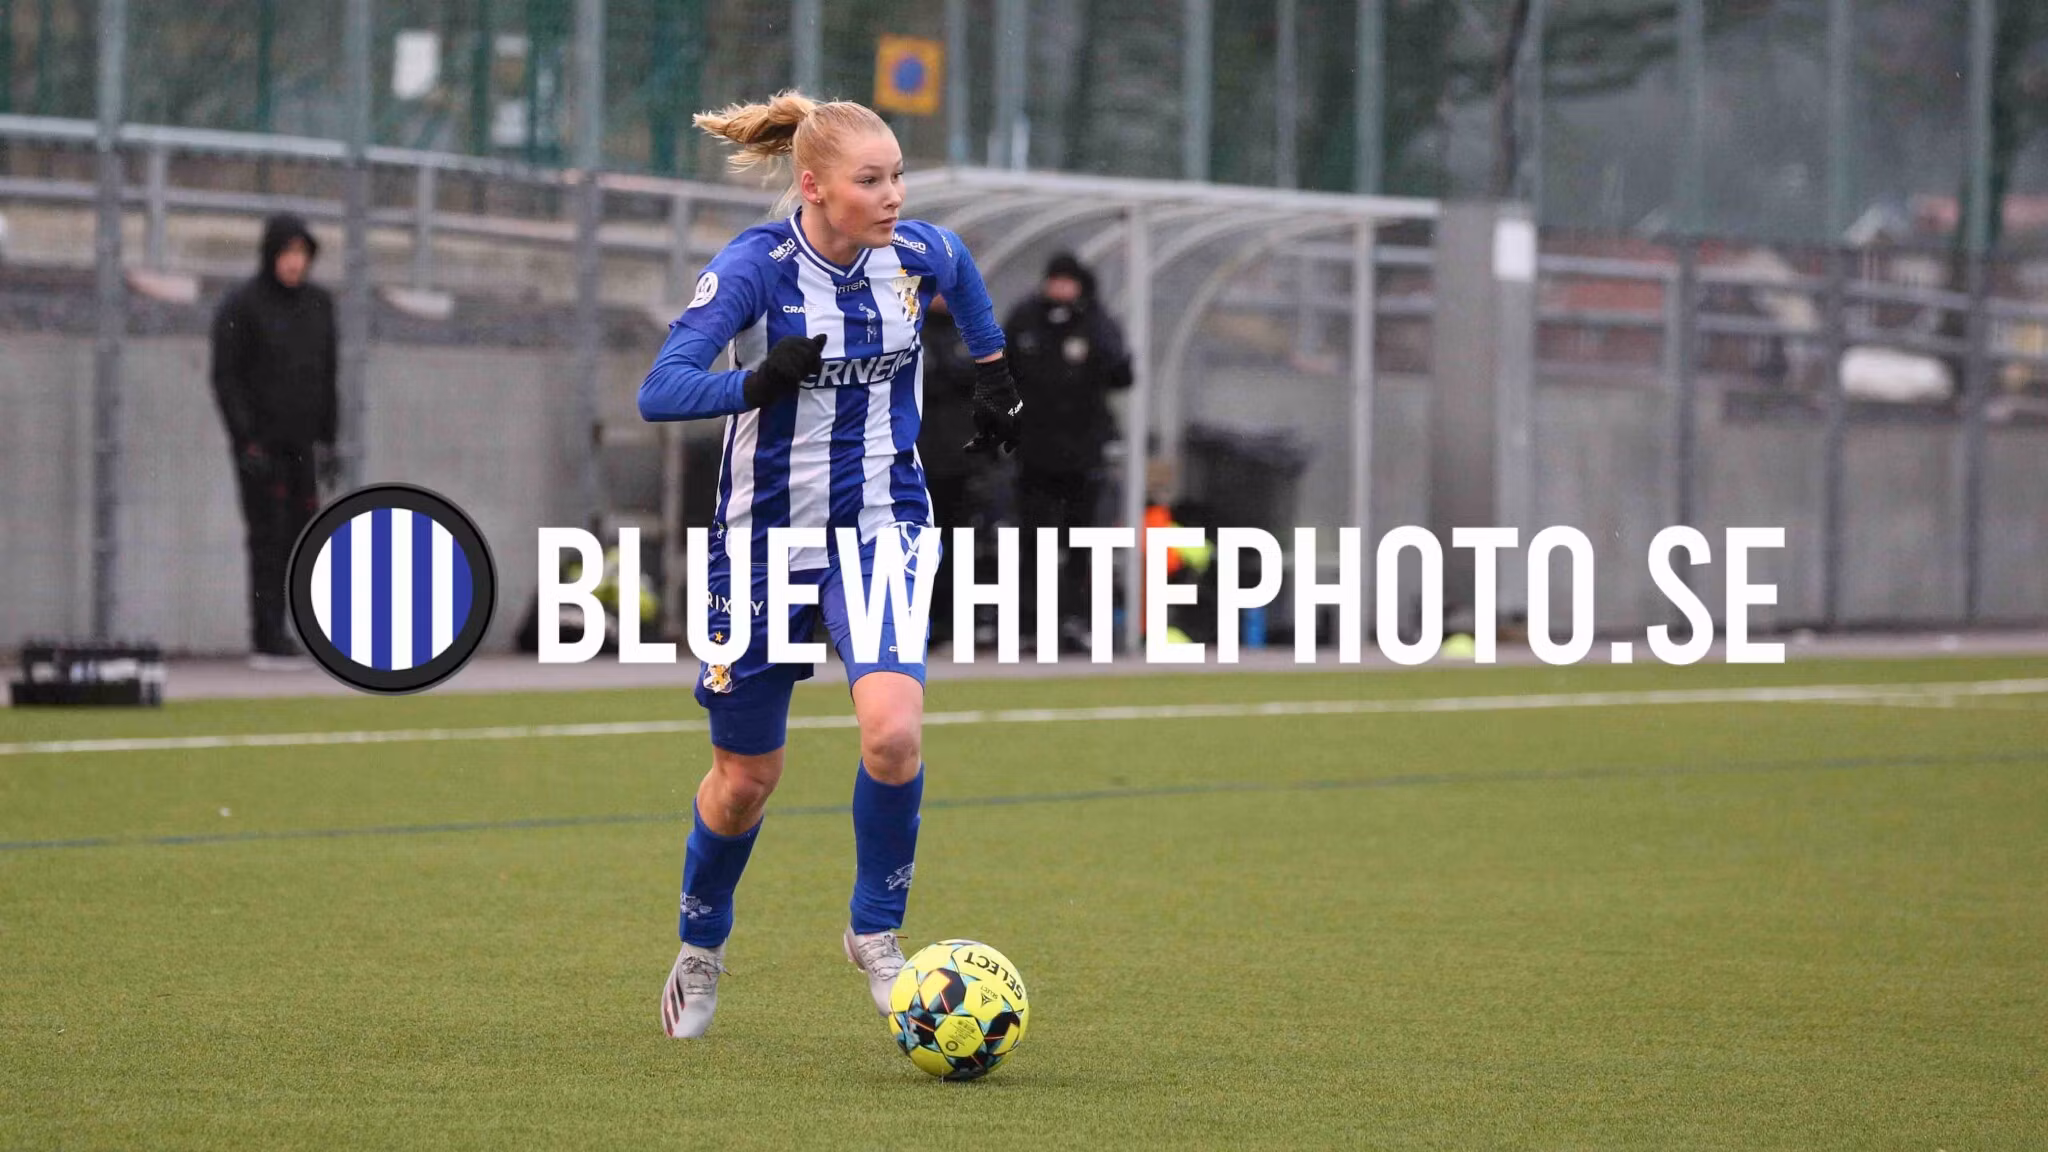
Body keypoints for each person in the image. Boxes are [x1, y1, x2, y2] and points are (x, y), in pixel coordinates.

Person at [636, 90, 1022, 1038]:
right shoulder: (754, 270)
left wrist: (995, 374)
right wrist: (756, 381)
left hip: (881, 527)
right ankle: (701, 944)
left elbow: (962, 268)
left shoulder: (916, 253)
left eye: (898, 176)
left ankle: (875, 932)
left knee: (893, 735)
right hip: (761, 544)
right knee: (745, 779)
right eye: (871, 180)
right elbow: (661, 390)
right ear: (813, 188)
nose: (894, 197)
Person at [209, 213, 338, 668]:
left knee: (304, 536)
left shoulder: (319, 305)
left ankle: (298, 627)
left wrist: (328, 439)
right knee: (267, 536)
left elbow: (327, 374)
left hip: (303, 443)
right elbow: (226, 377)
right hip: (261, 445)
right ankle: (266, 635)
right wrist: (245, 438)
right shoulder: (242, 306)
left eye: (301, 253)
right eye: (287, 252)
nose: (294, 262)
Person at [1005, 253, 1131, 649]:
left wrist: (1093, 328)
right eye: (1055, 280)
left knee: (1081, 539)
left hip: (1083, 451)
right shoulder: (1025, 319)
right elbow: (999, 373)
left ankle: (1075, 619)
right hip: (1034, 450)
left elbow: (1122, 374)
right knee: (1035, 539)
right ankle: (1031, 622)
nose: (1060, 289)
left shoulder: (1096, 322)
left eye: (1067, 281)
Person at [913, 293, 985, 647]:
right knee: (915, 543)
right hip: (915, 458)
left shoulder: (972, 329)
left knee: (957, 544)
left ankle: (953, 620)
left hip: (960, 461)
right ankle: (916, 619)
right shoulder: (906, 329)